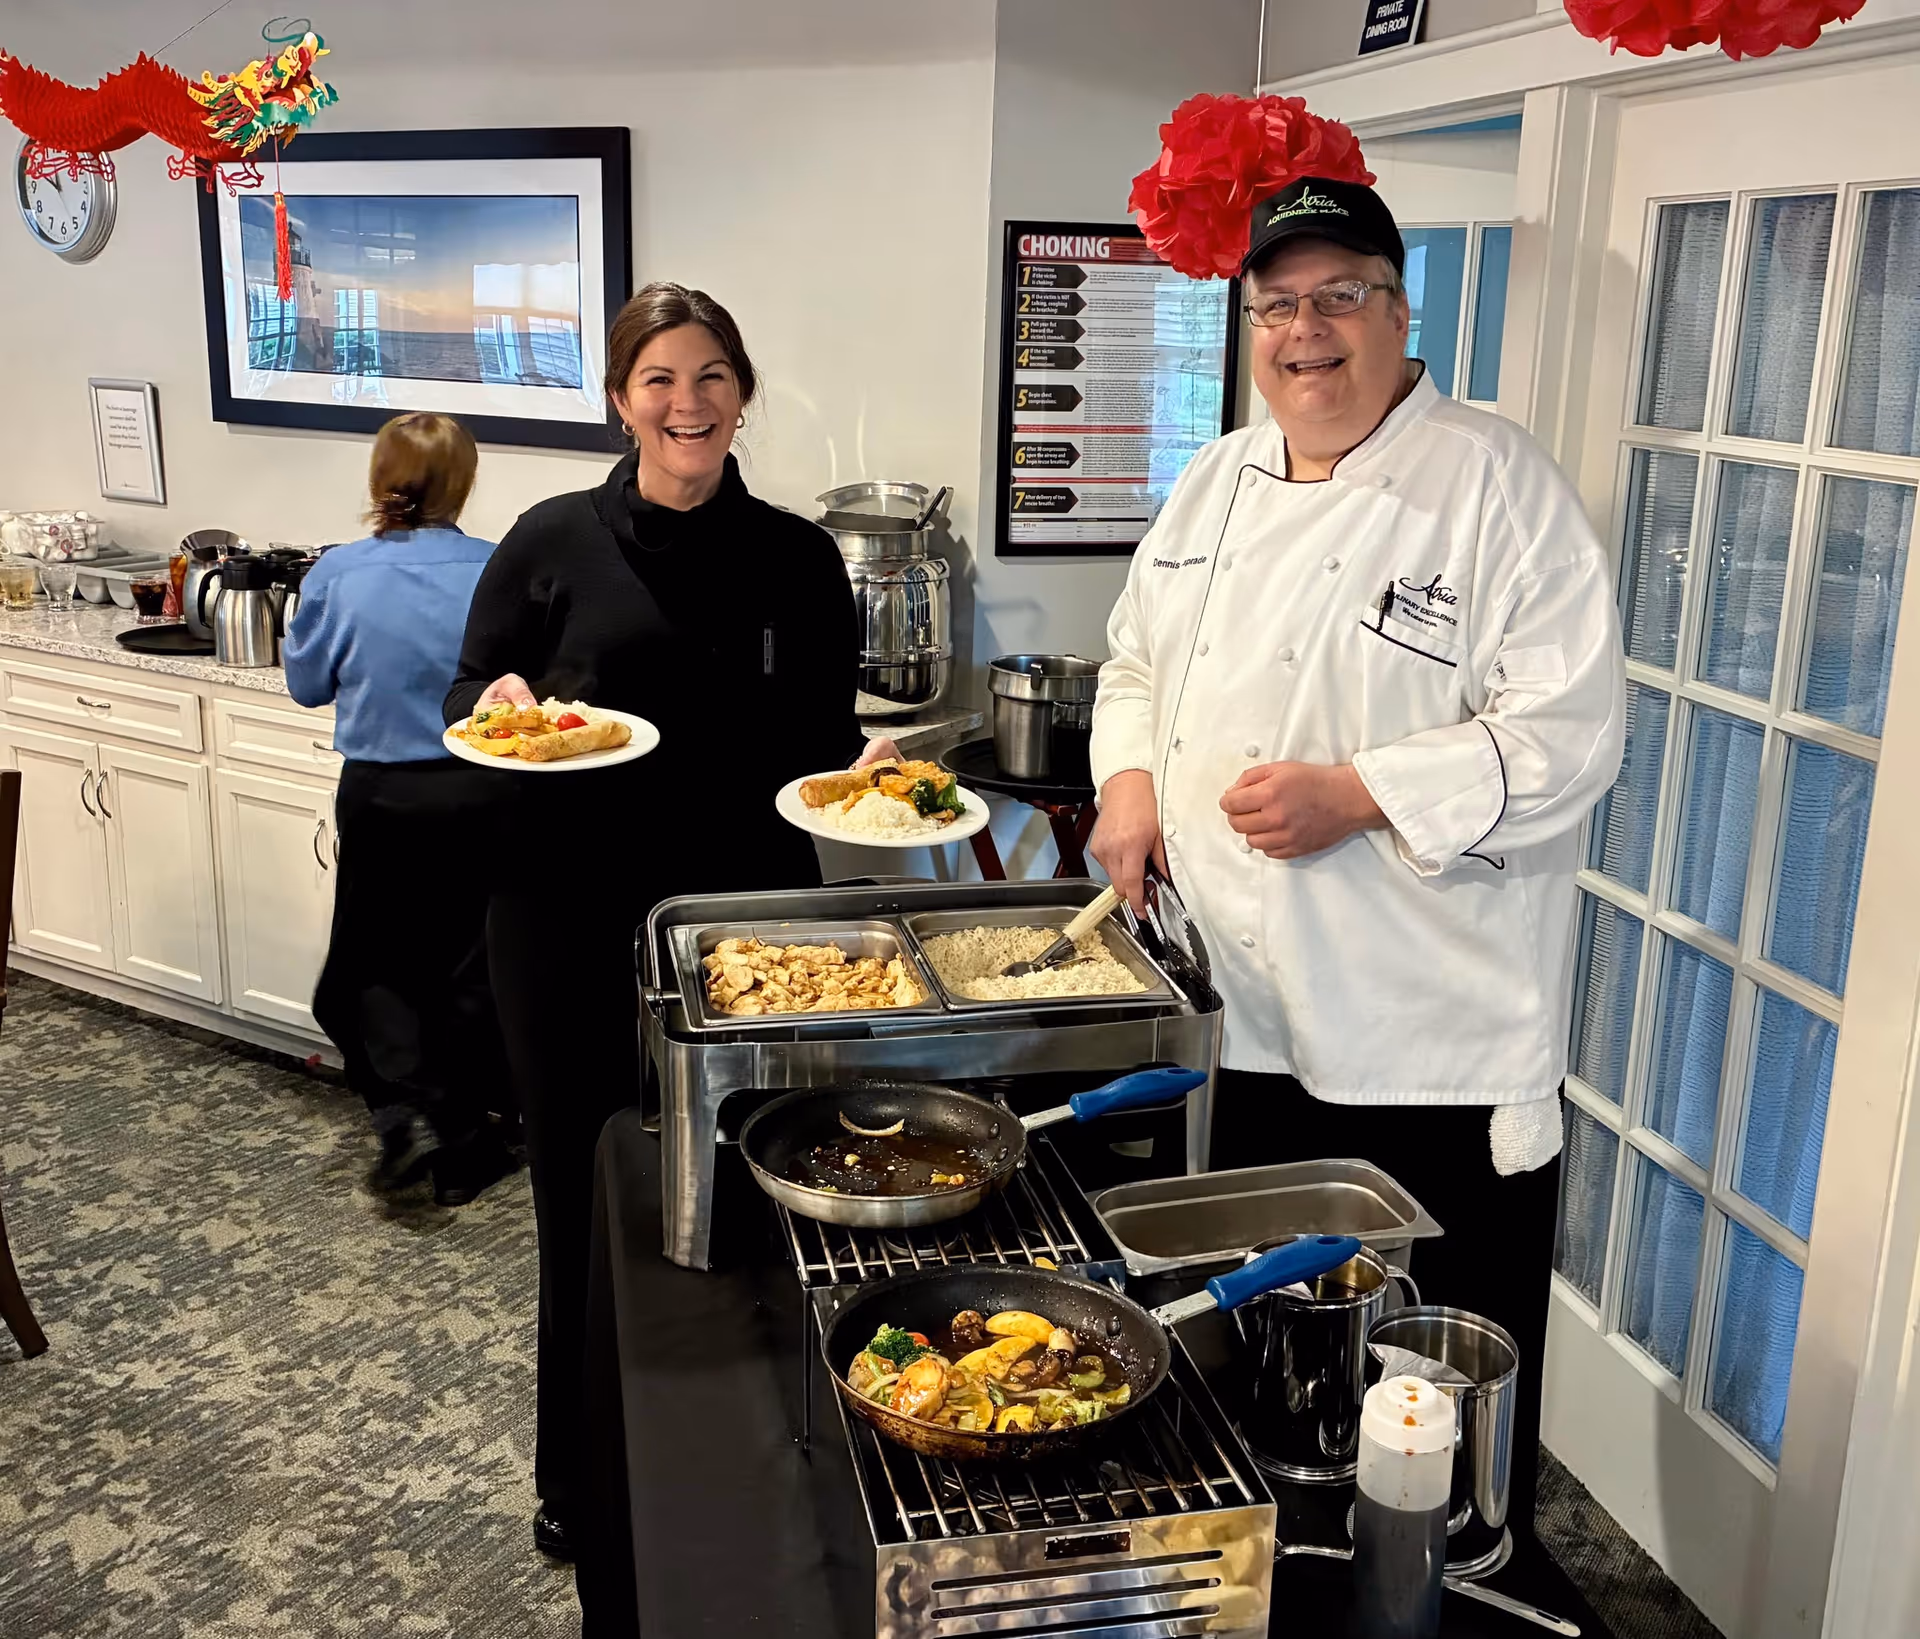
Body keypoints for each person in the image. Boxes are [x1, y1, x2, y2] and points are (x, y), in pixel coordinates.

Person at [1088, 176, 1626, 1544]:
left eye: (1339, 297)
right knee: (1266, 1380)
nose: (1304, 331)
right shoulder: (1216, 473)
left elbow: (1572, 737)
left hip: (1424, 1051)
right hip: (1249, 1030)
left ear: (1400, 309)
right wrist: (1132, 781)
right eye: (1277, 304)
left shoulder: (1499, 487)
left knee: (1428, 1416)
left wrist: (1365, 793)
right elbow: (1137, 656)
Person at [444, 282, 870, 1571]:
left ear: (742, 392)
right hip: (563, 919)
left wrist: (877, 768)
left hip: (744, 929)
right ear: (620, 399)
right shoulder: (548, 540)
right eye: (659, 381)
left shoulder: (797, 556)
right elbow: (472, 696)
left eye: (711, 378)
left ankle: (746, 1473)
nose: (687, 405)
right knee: (583, 1208)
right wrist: (509, 690)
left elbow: (819, 744)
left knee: (750, 1194)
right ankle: (579, 1480)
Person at [285, 411, 519, 1207]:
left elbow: (306, 684)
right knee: (464, 970)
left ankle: (411, 1110)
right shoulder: (499, 569)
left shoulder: (337, 573)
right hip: (480, 793)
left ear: (378, 479)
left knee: (374, 967)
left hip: (383, 795)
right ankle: (460, 1137)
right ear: (465, 481)